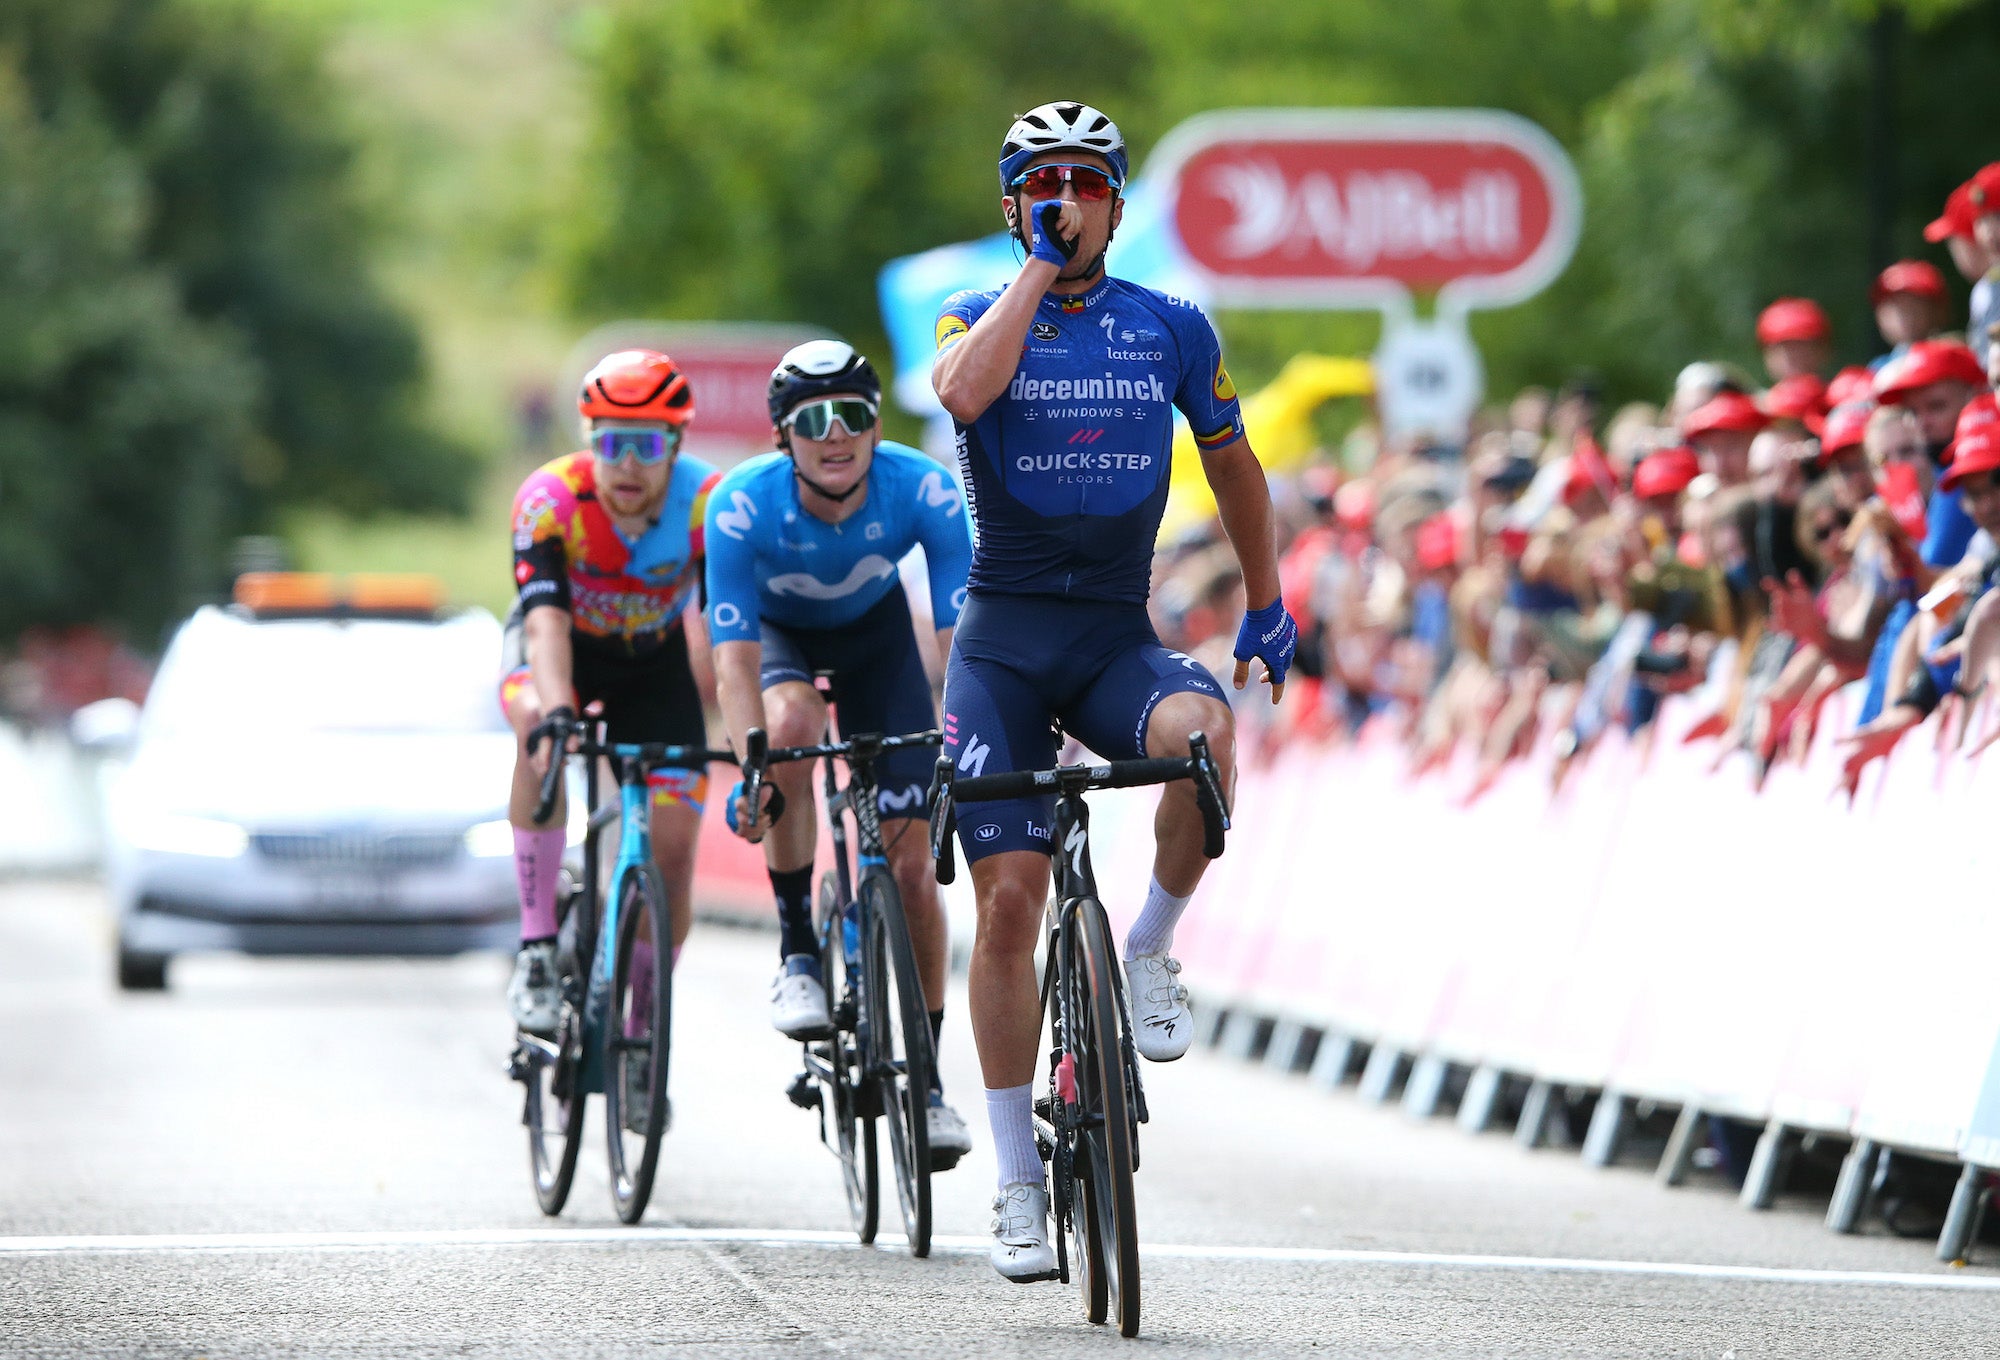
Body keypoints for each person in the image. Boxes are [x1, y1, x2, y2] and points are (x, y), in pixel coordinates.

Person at [931, 100, 1294, 1281]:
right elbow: (964, 396)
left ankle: (1145, 946)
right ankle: (1017, 1184)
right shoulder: (977, 314)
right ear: (1012, 203)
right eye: (1044, 183)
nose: (1067, 197)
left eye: (1087, 182)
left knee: (1202, 738)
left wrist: (1264, 597)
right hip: (1000, 645)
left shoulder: (1173, 327)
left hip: (1108, 639)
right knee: (1007, 900)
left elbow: (1233, 463)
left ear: (1119, 204)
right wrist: (1035, 270)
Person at [704, 338, 976, 1166]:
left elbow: (962, 640)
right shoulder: (740, 505)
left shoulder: (923, 487)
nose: (834, 435)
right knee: (788, 731)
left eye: (851, 417)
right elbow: (734, 661)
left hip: (877, 641)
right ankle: (797, 949)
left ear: (875, 424)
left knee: (913, 873)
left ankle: (927, 1086)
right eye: (811, 421)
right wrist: (753, 766)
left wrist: (967, 744)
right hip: (780, 639)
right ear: (783, 437)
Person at [501, 350, 721, 1130]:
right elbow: (544, 625)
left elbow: (728, 630)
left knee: (672, 852)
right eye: (611, 441)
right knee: (537, 729)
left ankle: (641, 1024)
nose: (627, 464)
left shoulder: (706, 504)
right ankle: (535, 949)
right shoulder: (551, 500)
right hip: (561, 653)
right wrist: (557, 712)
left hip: (651, 665)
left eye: (648, 444)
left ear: (678, 443)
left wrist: (741, 718)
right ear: (588, 437)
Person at [1756, 298, 1832, 382]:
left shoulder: (1842, 393)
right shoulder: (1751, 395)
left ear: (1822, 350)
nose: (1791, 355)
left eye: (1800, 345)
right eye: (1782, 346)